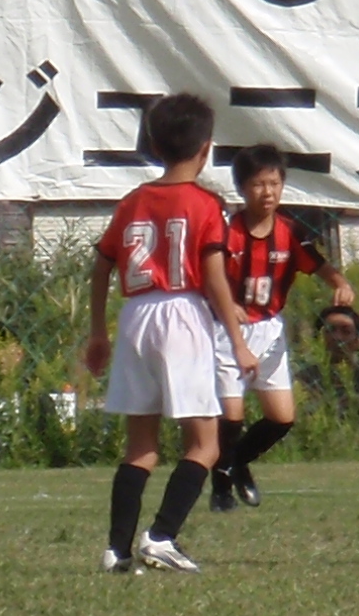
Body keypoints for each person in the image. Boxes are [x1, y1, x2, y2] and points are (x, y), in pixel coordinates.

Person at [82, 91, 247, 573]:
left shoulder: (132, 201)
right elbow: (214, 276)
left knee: (141, 446)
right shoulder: (205, 204)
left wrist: (98, 332)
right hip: (182, 313)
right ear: (206, 149)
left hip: (134, 315)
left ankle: (117, 549)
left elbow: (100, 267)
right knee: (205, 443)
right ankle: (163, 536)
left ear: (154, 145)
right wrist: (237, 341)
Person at [213, 145, 351, 507]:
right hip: (228, 330)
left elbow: (319, 265)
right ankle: (221, 488)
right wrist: (228, 306)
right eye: (258, 184)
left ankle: (237, 462)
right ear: (242, 189)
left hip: (269, 330)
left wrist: (340, 283)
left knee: (281, 418)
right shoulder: (227, 233)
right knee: (231, 416)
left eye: (274, 183)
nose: (268, 192)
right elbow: (205, 279)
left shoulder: (290, 232)